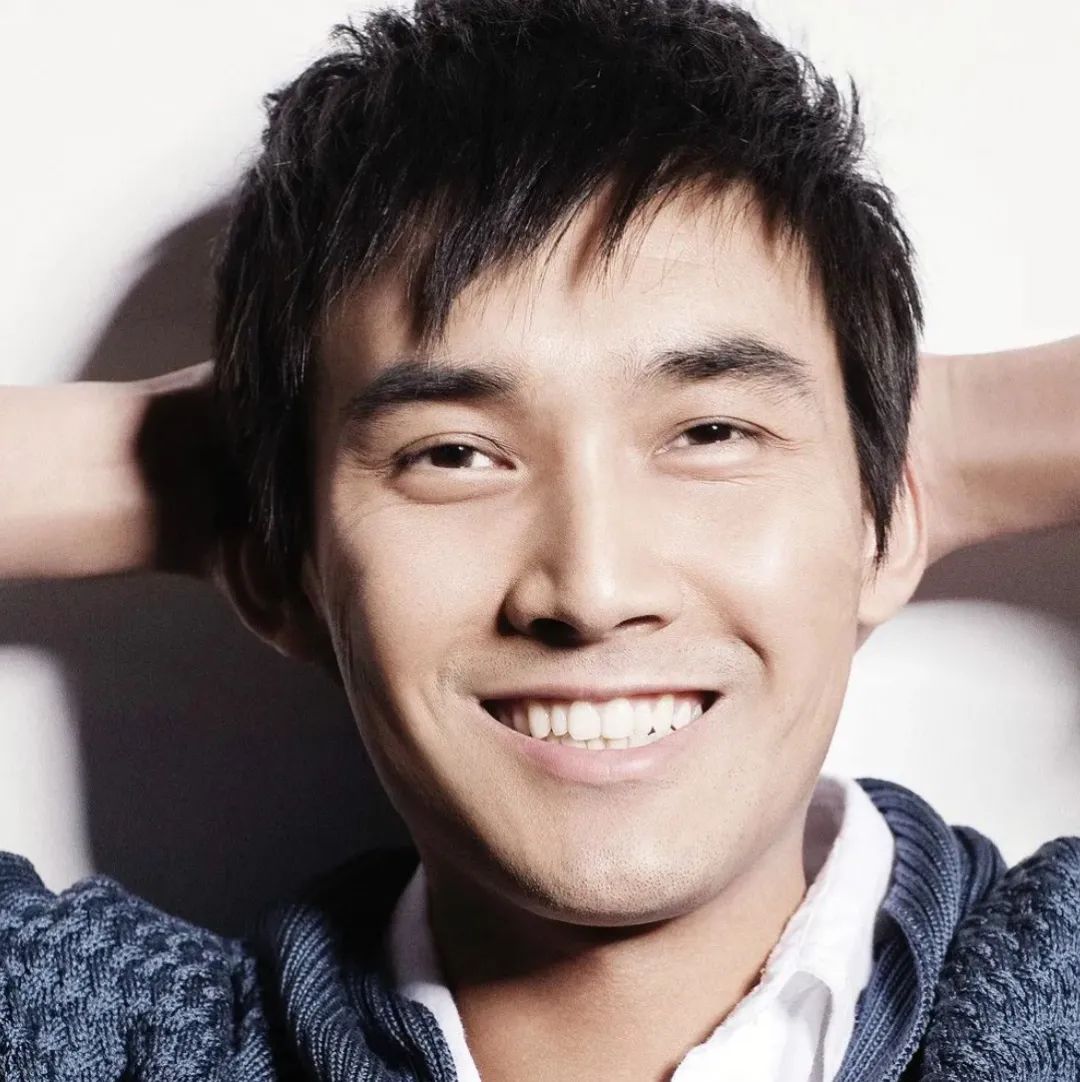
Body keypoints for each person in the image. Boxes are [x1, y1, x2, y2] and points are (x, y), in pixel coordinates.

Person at [1, 1, 1078, 1079]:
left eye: (711, 432)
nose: (594, 589)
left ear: (889, 522)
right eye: (453, 454)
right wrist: (201, 471)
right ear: (279, 572)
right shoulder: (107, 1043)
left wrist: (918, 444)